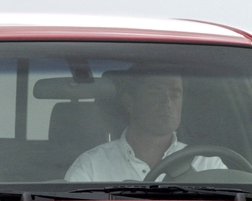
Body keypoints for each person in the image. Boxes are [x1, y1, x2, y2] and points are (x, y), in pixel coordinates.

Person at [65, 66, 225, 182]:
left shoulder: (208, 166)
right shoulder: (91, 167)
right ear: (129, 102)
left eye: (175, 94)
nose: (167, 102)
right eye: (155, 93)